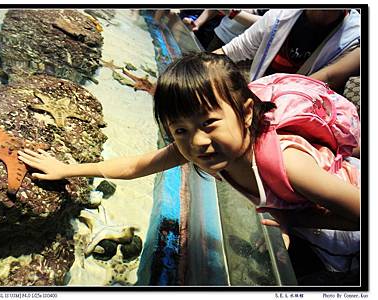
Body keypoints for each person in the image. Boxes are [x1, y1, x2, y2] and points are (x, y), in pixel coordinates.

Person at [18, 53, 360, 282]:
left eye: (209, 122)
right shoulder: (203, 147)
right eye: (179, 130)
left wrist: (292, 219)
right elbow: (138, 164)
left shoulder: (288, 163)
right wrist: (68, 169)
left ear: (246, 112)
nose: (196, 141)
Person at [214, 9, 360, 93]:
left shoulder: (356, 37)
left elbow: (323, 80)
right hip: (258, 95)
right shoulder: (281, 13)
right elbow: (232, 50)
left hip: (297, 112)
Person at [184, 9, 266, 52]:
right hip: (219, 35)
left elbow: (265, 24)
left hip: (245, 48)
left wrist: (232, 13)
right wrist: (198, 22)